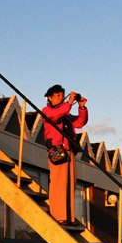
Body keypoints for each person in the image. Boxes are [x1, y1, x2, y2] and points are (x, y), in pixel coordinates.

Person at [41, 84, 88, 224]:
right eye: (57, 96)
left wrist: (82, 107)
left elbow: (79, 123)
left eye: (62, 95)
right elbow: (54, 116)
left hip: (69, 150)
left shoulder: (65, 114)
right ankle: (58, 215)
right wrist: (68, 103)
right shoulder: (47, 111)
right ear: (49, 98)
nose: (60, 98)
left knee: (70, 184)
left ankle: (68, 216)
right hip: (57, 150)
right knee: (58, 183)